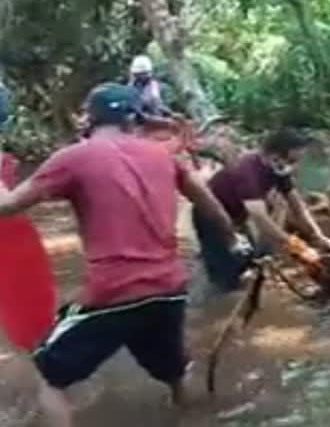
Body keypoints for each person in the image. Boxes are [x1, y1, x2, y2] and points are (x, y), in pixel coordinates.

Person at [0, 84, 239, 427]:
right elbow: (212, 206)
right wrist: (235, 242)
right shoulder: (163, 156)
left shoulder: (74, 157)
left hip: (112, 294)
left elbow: (6, 207)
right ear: (135, 119)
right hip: (169, 289)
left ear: (90, 119)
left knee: (49, 379)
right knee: (176, 372)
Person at [196, 128, 330, 292]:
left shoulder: (279, 167)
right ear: (276, 154)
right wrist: (297, 246)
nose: (296, 164)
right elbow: (260, 218)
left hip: (235, 217)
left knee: (245, 262)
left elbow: (297, 204)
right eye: (294, 158)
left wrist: (319, 236)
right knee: (226, 279)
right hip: (210, 218)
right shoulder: (248, 171)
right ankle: (214, 303)